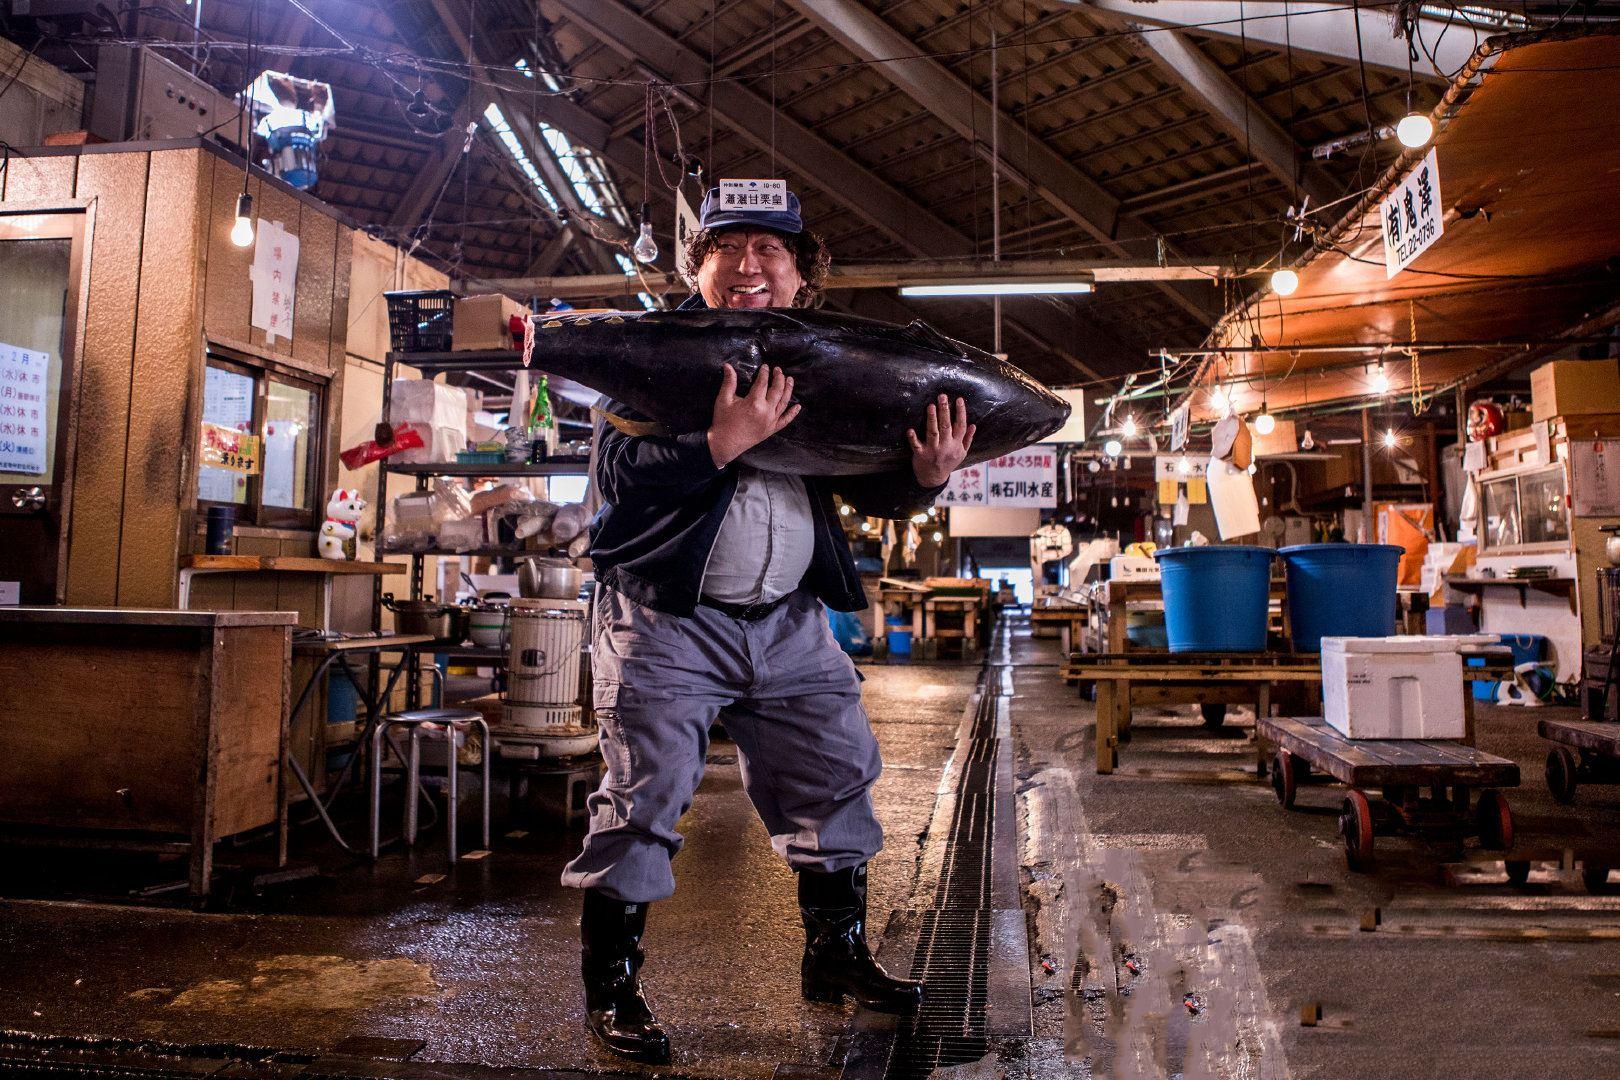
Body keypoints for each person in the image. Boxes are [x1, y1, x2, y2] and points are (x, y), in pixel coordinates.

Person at [560, 186, 976, 1065]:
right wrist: (717, 443)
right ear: (697, 266)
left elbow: (868, 484)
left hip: (787, 623)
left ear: (800, 275)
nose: (749, 266)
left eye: (771, 250)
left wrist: (928, 476)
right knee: (646, 794)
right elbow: (624, 474)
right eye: (729, 247)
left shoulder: (823, 364)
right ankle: (615, 989)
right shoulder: (657, 355)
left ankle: (837, 959)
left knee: (834, 775)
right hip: (669, 621)